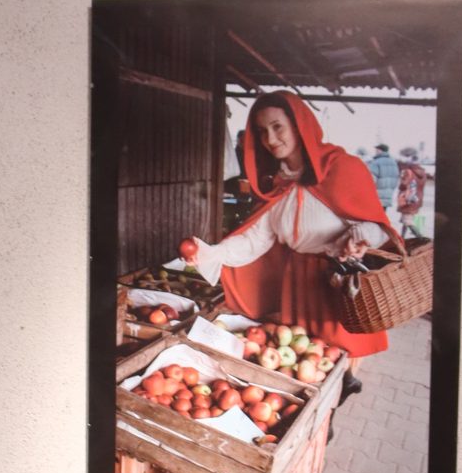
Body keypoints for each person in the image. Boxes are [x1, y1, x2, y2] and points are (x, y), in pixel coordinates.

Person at [179, 90, 403, 370]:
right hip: (296, 286)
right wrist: (211, 253)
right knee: (302, 366)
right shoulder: (277, 184)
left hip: (338, 285)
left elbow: (380, 229)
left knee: (339, 365)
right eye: (262, 132)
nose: (271, 139)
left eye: (277, 127)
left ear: (300, 125)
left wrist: (361, 236)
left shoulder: (344, 168)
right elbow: (255, 239)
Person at [397, 149, 430, 236]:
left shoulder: (408, 171)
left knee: (407, 221)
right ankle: (402, 238)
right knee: (406, 220)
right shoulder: (423, 172)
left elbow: (404, 185)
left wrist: (401, 183)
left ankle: (421, 237)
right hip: (417, 199)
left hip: (408, 199)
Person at [369, 144, 401, 216]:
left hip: (377, 192)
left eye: (376, 150)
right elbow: (396, 177)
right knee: (383, 214)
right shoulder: (393, 162)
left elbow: (371, 178)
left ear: (380, 150)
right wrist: (391, 188)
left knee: (374, 215)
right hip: (389, 191)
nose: (375, 152)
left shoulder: (376, 162)